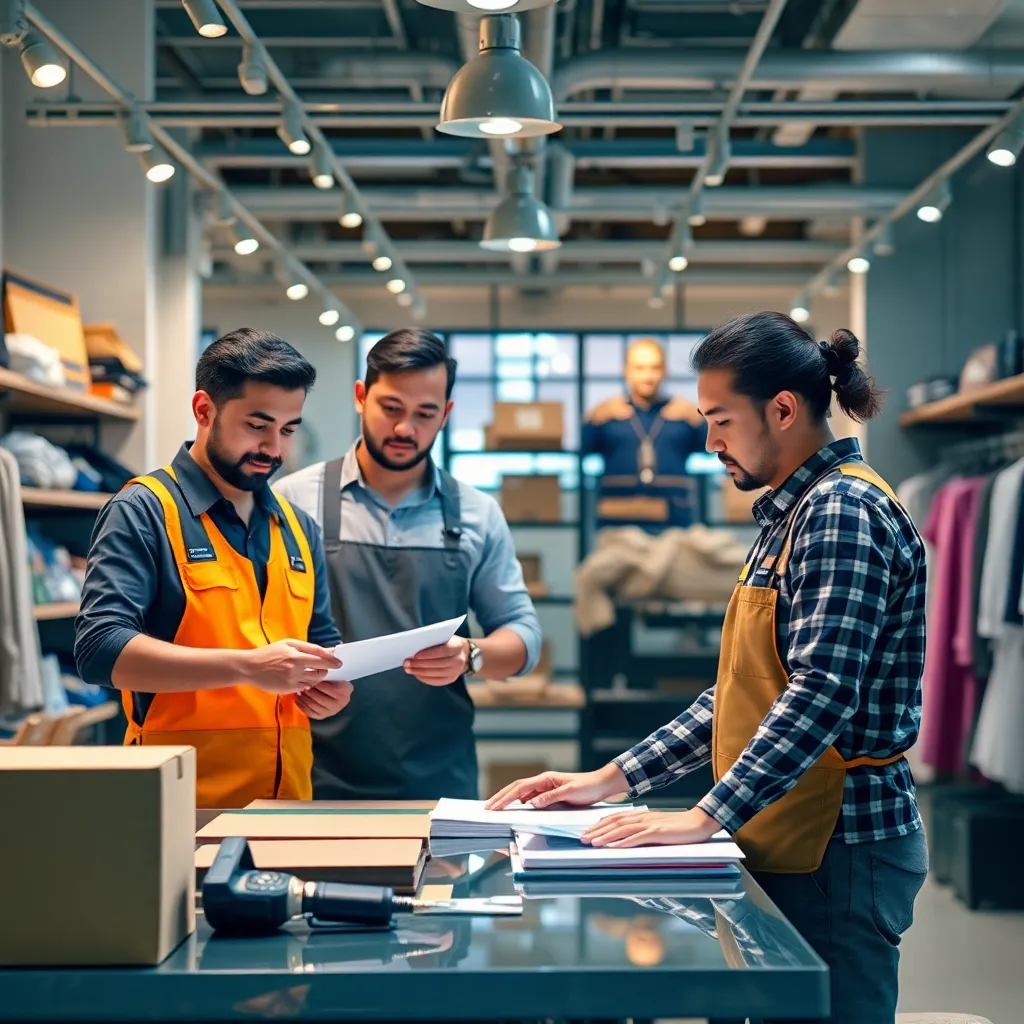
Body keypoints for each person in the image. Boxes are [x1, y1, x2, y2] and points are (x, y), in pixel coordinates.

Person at [489, 311, 928, 1024]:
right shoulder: (791, 514)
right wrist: (611, 779)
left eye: (721, 420)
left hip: (840, 847)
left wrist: (705, 815)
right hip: (793, 829)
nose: (709, 441)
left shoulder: (841, 511)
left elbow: (821, 693)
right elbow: (743, 694)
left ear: (782, 410)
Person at [75, 328, 351, 809]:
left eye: (288, 430)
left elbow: (322, 641)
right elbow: (99, 650)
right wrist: (248, 667)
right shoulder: (144, 510)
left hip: (288, 810)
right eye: (257, 425)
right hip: (178, 811)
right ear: (204, 410)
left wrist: (331, 688)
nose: (274, 448)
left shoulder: (298, 528)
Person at [274, 327, 542, 801]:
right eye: (392, 408)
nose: (405, 429)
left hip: (438, 781)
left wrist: (470, 655)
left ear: (446, 414)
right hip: (312, 773)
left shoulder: (477, 514)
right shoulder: (292, 501)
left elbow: (524, 636)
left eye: (425, 414)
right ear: (361, 397)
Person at [582, 337, 707, 532]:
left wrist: (700, 419)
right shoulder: (608, 415)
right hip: (617, 525)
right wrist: (592, 417)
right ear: (626, 371)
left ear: (664, 371)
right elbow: (582, 448)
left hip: (674, 525)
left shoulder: (682, 415)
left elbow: (714, 449)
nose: (648, 376)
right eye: (639, 368)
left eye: (654, 368)